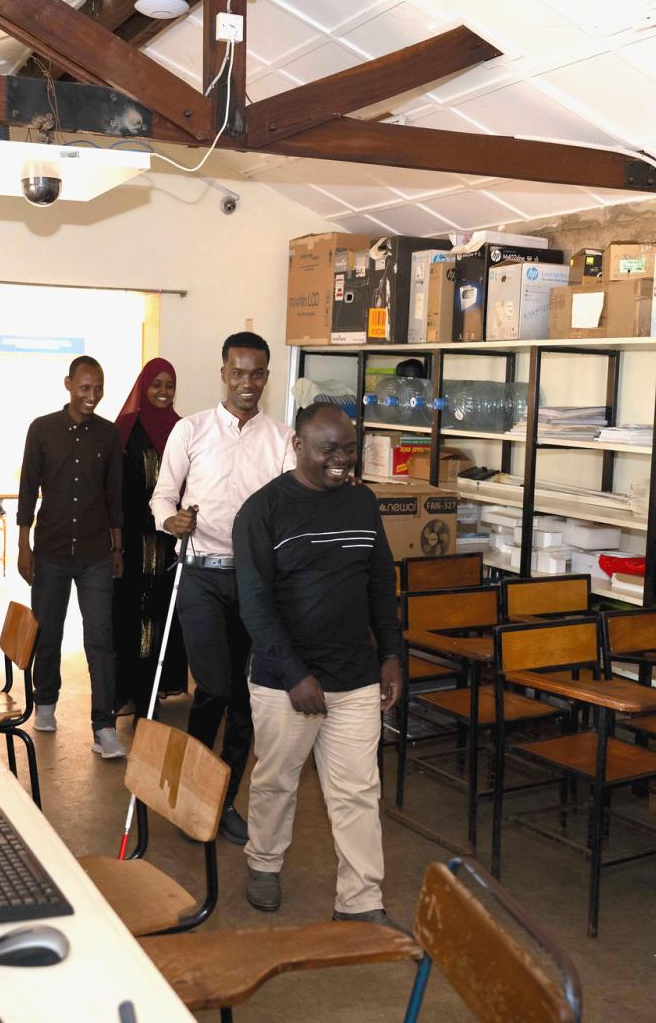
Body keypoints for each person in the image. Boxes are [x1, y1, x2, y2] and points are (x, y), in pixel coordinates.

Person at [234, 402, 403, 928]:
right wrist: (293, 675)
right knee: (277, 780)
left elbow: (379, 583)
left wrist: (392, 654)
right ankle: (263, 862)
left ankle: (360, 898)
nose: (342, 459)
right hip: (285, 682)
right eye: (329, 448)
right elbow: (255, 603)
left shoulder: (361, 502)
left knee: (357, 789)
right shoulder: (262, 511)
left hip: (355, 675)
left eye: (349, 449)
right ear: (298, 445)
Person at [151, 331, 294, 844]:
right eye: (238, 373)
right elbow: (162, 496)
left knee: (247, 696)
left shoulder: (282, 439)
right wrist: (171, 523)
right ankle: (190, 787)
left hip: (256, 581)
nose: (247, 384)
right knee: (214, 685)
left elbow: (290, 508)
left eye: (257, 374)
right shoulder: (190, 431)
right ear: (223, 373)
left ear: (266, 376)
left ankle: (221, 799)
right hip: (200, 574)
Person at [15, 355, 126, 759]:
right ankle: (45, 703)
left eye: (98, 388)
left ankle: (105, 727)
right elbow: (28, 489)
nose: (92, 396)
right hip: (52, 550)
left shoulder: (109, 436)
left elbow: (115, 496)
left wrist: (118, 547)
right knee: (48, 632)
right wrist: (24, 544)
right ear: (68, 384)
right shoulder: (42, 430)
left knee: (101, 640)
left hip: (97, 552)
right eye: (84, 387)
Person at [111, 358, 188, 713]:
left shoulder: (182, 429)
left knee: (162, 615)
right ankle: (129, 690)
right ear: (143, 387)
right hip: (132, 543)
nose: (162, 392)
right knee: (129, 615)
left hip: (169, 544)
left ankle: (152, 690)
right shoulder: (126, 429)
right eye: (155, 385)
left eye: (169, 385)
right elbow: (112, 489)